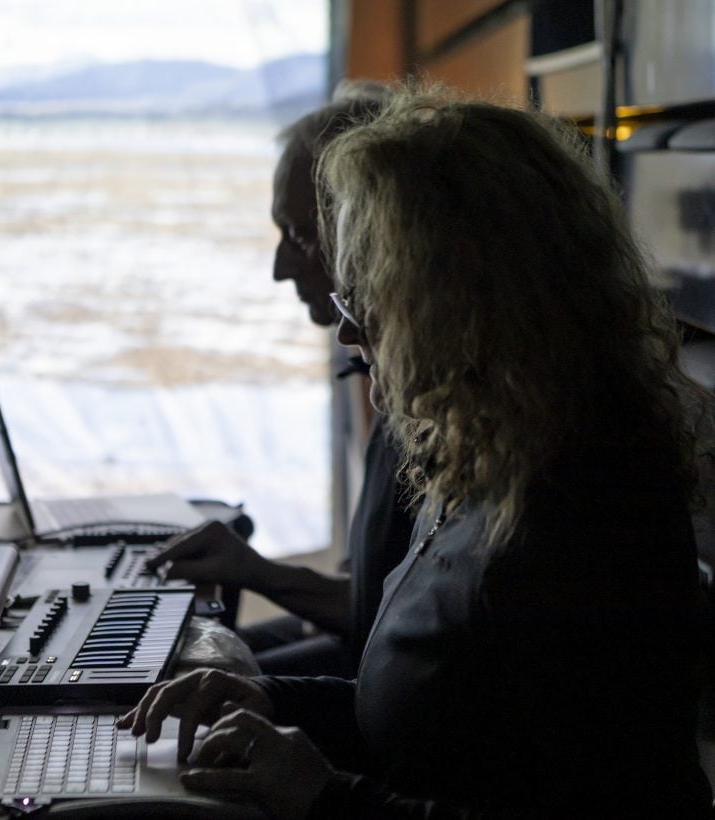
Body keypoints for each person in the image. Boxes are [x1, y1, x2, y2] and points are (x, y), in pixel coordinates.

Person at [119, 85, 712, 817]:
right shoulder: (483, 457)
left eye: (369, 295)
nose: (348, 332)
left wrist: (325, 798)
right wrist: (267, 697)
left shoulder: (583, 513)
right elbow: (432, 723)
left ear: (456, 303)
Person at [146, 85, 415, 677]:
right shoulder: (397, 380)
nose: (279, 268)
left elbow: (385, 622)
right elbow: (376, 597)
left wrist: (258, 573)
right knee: (171, 666)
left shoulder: (438, 407)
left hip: (378, 697)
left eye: (298, 236)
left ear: (370, 235)